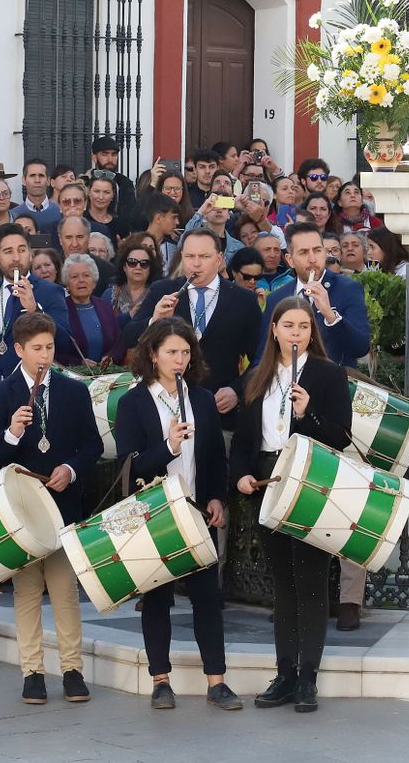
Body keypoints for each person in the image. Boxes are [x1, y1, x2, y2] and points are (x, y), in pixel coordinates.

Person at [110, 318, 241, 710]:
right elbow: (128, 464)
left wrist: (217, 497)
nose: (179, 359)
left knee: (207, 597)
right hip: (155, 513)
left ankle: (217, 682)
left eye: (185, 352)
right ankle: (160, 680)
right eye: (171, 352)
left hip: (197, 510)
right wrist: (168, 446)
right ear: (153, 354)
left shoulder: (200, 398)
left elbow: (215, 456)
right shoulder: (133, 402)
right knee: (157, 598)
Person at [232, 298, 352, 713]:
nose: (296, 333)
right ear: (275, 330)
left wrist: (309, 412)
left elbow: (339, 437)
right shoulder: (257, 375)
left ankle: (307, 678)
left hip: (309, 480)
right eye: (289, 325)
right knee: (282, 582)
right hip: (269, 479)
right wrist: (242, 474)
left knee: (311, 579)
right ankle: (284, 674)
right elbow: (246, 440)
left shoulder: (329, 374)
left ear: (311, 332)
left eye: (304, 325)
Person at [0, 312, 102, 705]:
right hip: (22, 511)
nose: (44, 355)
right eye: (36, 349)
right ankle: (32, 671)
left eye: (49, 347)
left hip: (62, 503)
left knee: (65, 591)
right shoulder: (0, 396)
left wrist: (70, 468)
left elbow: (93, 447)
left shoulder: (73, 391)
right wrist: (12, 432)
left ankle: (72, 668)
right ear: (19, 349)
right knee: (27, 592)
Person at [129, 229, 261, 419]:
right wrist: (154, 320)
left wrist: (237, 390)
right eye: (190, 256)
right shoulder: (163, 290)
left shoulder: (243, 300)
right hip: (165, 412)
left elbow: (261, 358)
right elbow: (128, 337)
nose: (196, 264)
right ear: (182, 257)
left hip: (219, 413)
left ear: (219, 259)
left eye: (204, 256)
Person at [258, 223, 371, 369]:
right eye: (304, 252)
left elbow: (360, 347)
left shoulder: (348, 289)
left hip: (332, 386)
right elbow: (263, 355)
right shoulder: (277, 299)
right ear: (290, 260)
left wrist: (330, 316)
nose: (312, 259)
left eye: (317, 250)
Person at [0, 224, 71, 381]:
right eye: (8, 251)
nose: (16, 257)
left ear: (30, 254)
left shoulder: (50, 292)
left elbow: (65, 343)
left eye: (22, 250)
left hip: (30, 386)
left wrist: (34, 310)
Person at [59, 253, 122, 366]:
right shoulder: (61, 310)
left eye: (86, 275)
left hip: (107, 376)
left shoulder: (105, 306)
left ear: (94, 281)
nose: (81, 280)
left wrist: (110, 358)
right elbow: (56, 352)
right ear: (67, 284)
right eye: (74, 277)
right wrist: (80, 363)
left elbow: (118, 343)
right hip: (75, 377)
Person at [109, 238, 158, 326]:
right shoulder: (110, 294)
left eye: (144, 263)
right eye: (132, 262)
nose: (138, 267)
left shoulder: (157, 295)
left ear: (150, 268)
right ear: (124, 267)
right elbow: (104, 325)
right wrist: (129, 315)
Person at [88, 135, 137, 217]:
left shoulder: (125, 183)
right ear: (94, 157)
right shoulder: (84, 181)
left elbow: (130, 214)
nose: (110, 159)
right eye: (105, 154)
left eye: (114, 154)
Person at [16, 158, 62, 236]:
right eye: (32, 175)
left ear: (48, 181)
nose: (37, 180)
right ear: (24, 180)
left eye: (41, 175)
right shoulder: (14, 215)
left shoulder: (60, 212)